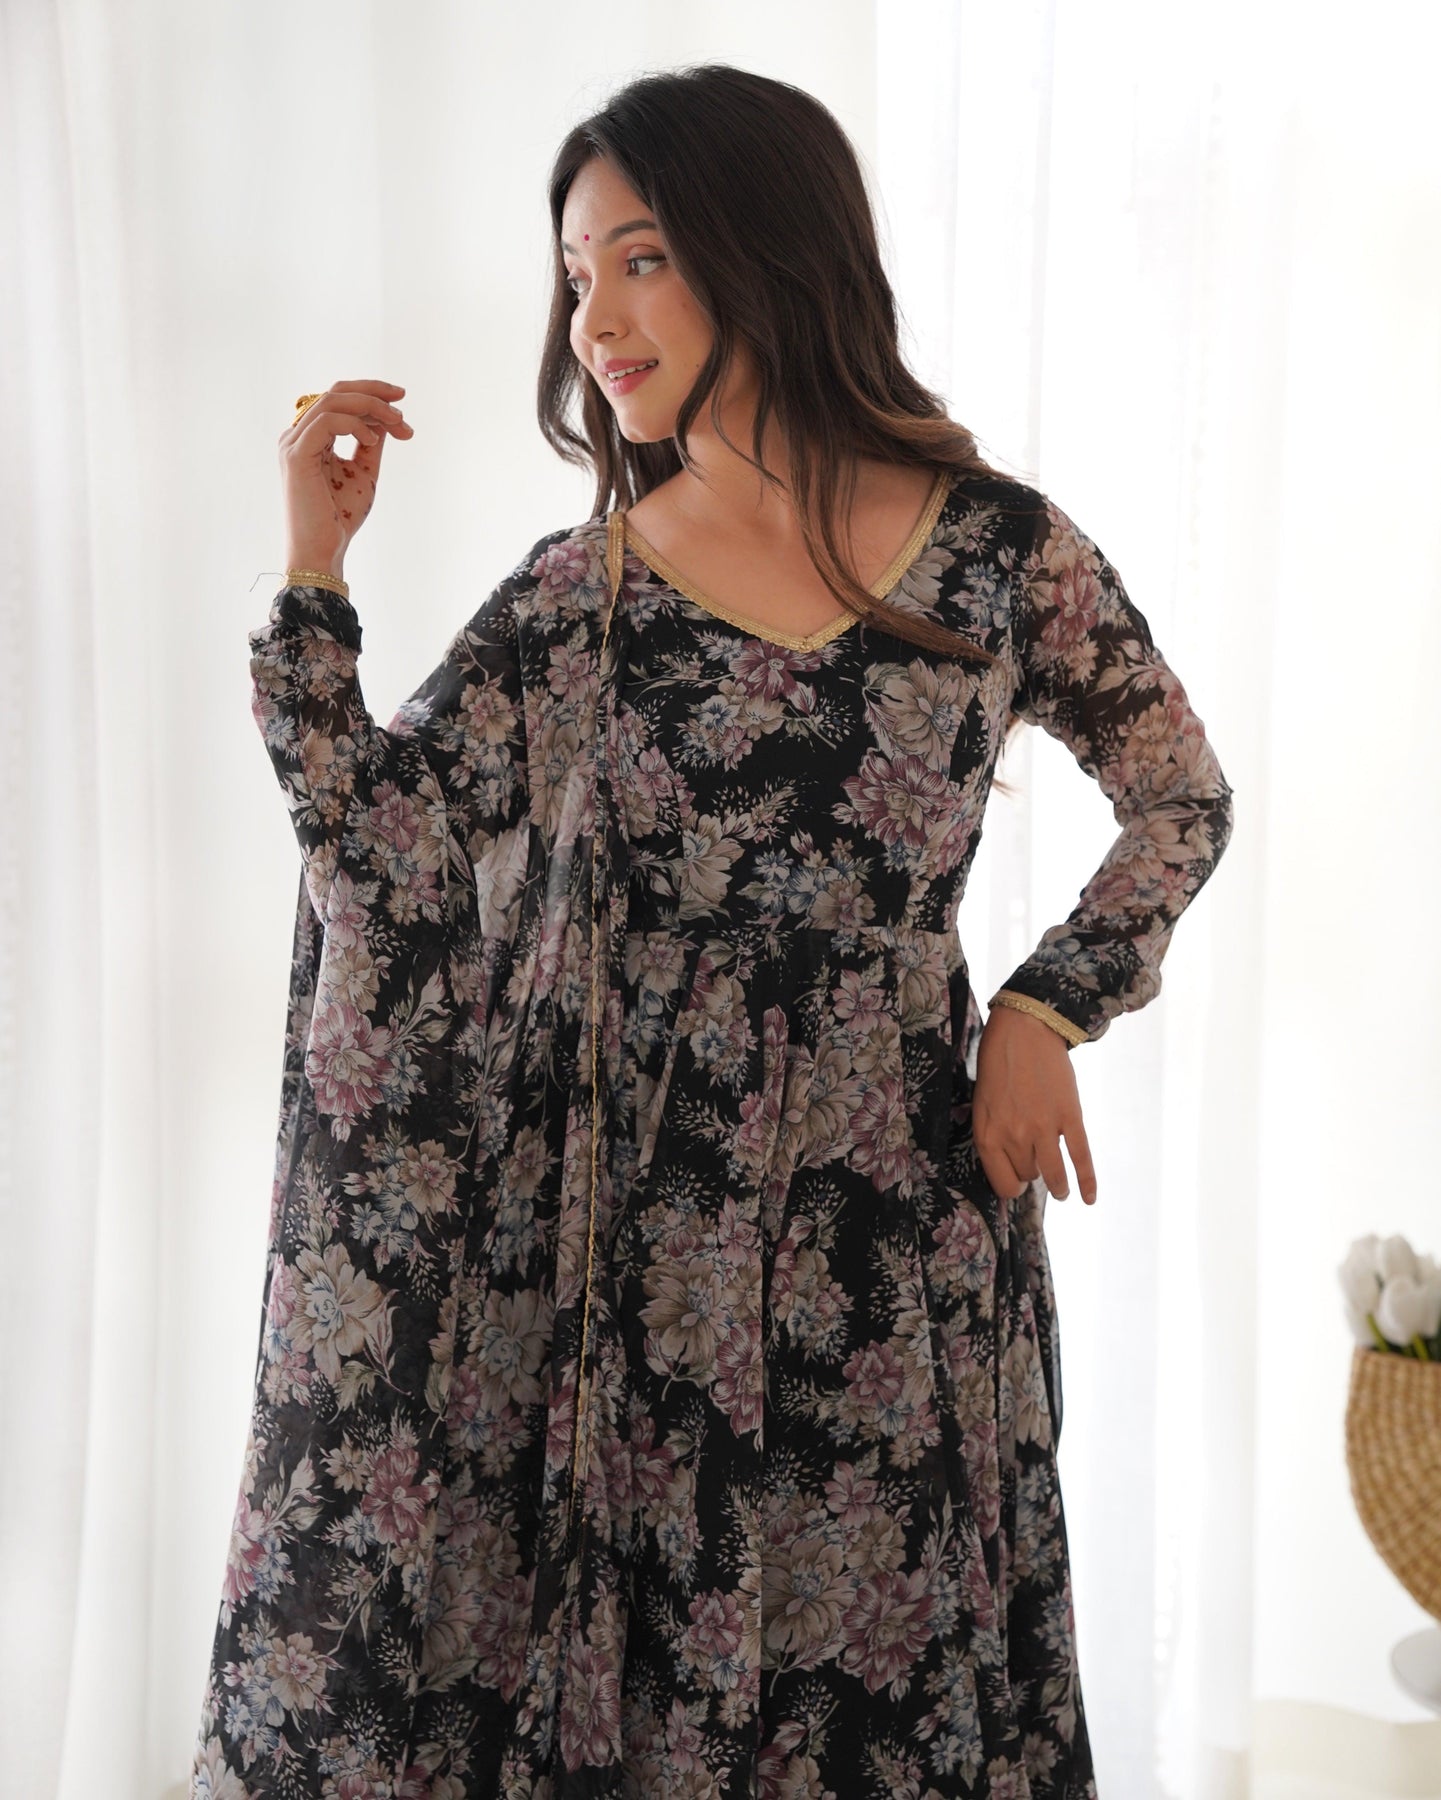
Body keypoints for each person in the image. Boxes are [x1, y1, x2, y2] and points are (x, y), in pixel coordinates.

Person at [190, 62, 1233, 1800]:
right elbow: (380, 855)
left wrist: (1043, 1010)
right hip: (636, 1259)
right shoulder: (579, 596)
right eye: (574, 274)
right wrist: (314, 568)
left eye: (641, 258)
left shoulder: (995, 556)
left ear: (768, 247)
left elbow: (1178, 798)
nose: (593, 318)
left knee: (884, 1691)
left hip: (894, 1226)